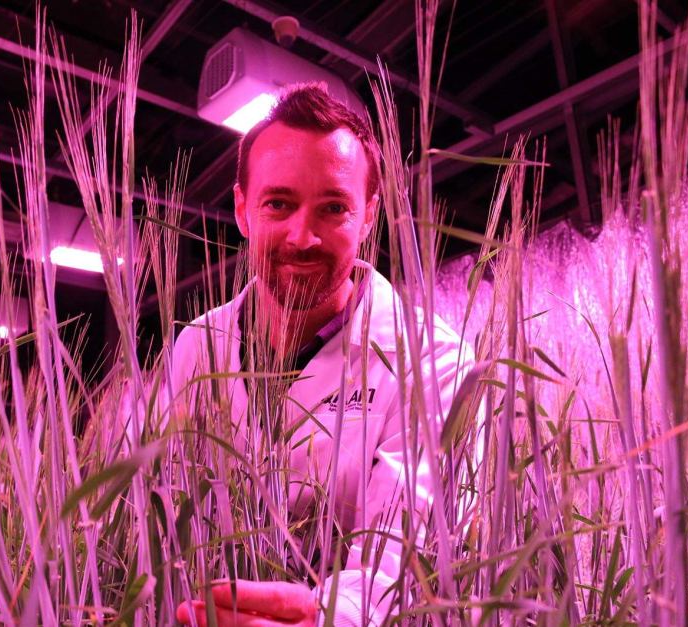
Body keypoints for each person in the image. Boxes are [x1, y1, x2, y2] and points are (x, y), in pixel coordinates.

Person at [169, 84, 476, 626]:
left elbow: (404, 551)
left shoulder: (436, 362)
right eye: (278, 203)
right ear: (242, 209)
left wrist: (330, 615)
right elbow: (169, 508)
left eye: (333, 207)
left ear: (368, 216)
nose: (301, 236)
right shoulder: (198, 344)